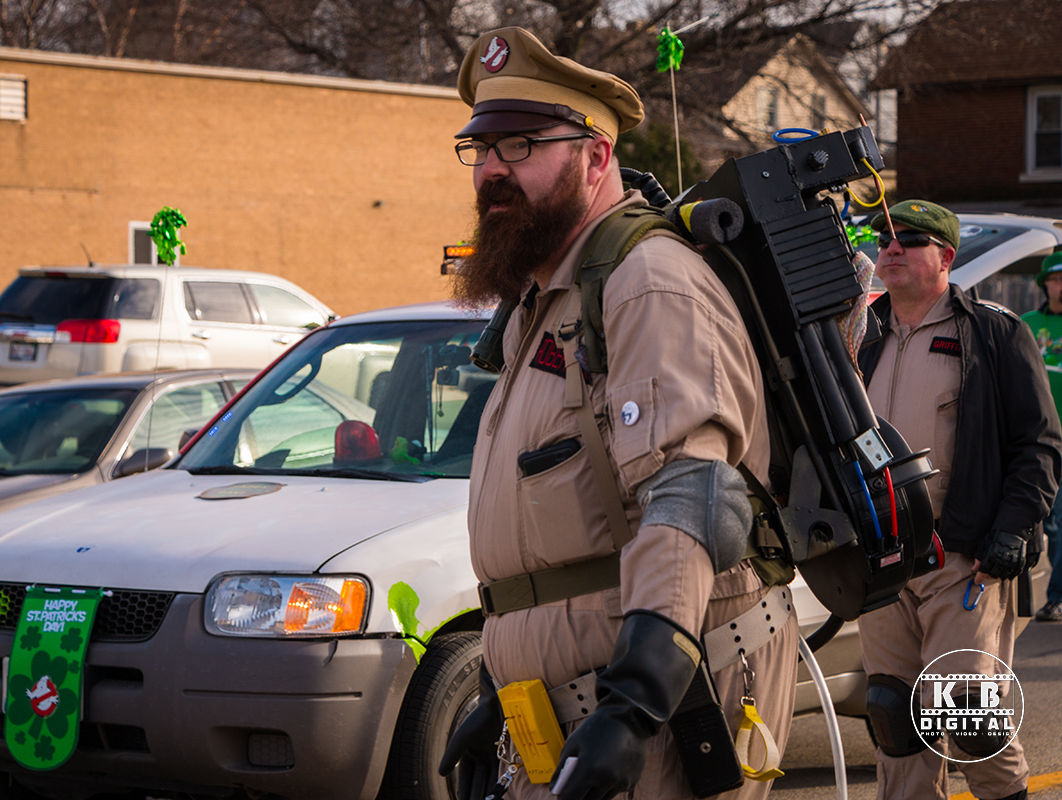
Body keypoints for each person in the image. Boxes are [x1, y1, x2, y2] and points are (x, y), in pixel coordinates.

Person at [438, 27, 799, 800]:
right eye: (484, 148)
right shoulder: (546, 299)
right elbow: (554, 550)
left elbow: (692, 501)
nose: (494, 171)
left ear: (596, 156)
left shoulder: (646, 283)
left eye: (524, 145)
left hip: (663, 708)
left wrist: (635, 705)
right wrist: (502, 697)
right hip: (560, 711)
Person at [856, 200, 1062, 800]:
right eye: (885, 238)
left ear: (946, 257)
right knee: (894, 717)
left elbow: (1039, 443)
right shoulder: (859, 336)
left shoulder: (995, 332)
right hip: (882, 559)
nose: (891, 248)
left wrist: (1014, 526)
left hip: (961, 554)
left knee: (965, 716)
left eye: (910, 240)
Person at [1020, 251, 1062, 622]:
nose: (1060, 286)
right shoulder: (1027, 324)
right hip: (1040, 440)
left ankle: (1057, 596)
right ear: (1045, 283)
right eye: (1056, 279)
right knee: (1049, 524)